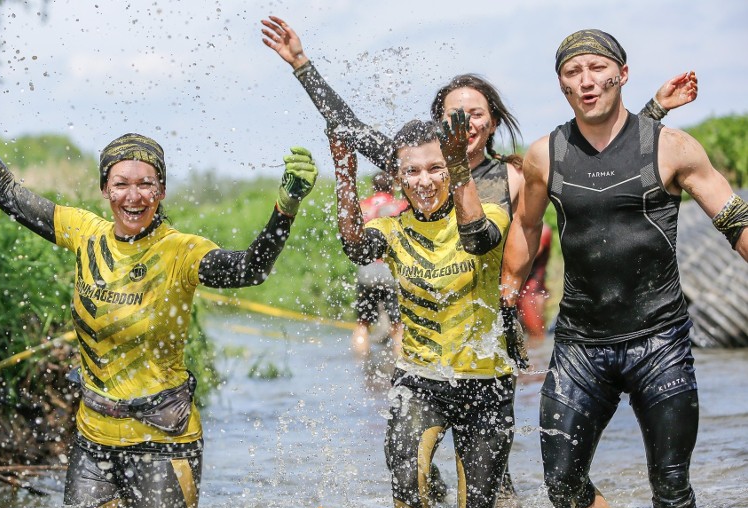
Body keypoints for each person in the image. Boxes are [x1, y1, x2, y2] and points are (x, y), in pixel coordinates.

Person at [0, 80, 317, 508]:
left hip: (164, 440)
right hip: (93, 440)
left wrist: (285, 209)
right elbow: (1, 188)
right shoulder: (83, 232)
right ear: (104, 189)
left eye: (145, 184)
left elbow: (250, 269)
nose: (133, 196)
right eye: (121, 184)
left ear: (162, 191)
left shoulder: (181, 251)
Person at [260, 15, 698, 363]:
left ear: (492, 122)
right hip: (426, 334)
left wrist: (653, 111)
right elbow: (349, 128)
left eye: (476, 115)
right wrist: (302, 65)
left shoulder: (514, 173)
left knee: (492, 469)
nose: (465, 125)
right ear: (438, 123)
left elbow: (597, 166)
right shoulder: (420, 174)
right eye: (454, 116)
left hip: (490, 331)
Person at [500, 29, 748, 508]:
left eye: (596, 68)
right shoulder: (545, 153)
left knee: (672, 489)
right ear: (562, 85)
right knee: (562, 481)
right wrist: (507, 291)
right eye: (573, 72)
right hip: (580, 344)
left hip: (660, 341)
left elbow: (734, 219)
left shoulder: (672, 147)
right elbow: (526, 226)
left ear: (622, 74)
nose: (586, 81)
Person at [329, 111, 515, 508]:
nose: (424, 181)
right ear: (397, 178)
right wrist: (344, 169)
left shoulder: (490, 213)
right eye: (411, 171)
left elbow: (477, 239)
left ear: (451, 168)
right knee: (409, 500)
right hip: (420, 378)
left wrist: (460, 167)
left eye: (435, 168)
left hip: (485, 380)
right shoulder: (393, 229)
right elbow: (356, 248)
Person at [352, 171, 409, 360]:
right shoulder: (400, 206)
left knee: (362, 323)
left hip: (366, 270)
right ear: (391, 187)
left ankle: (360, 363)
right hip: (390, 271)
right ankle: (399, 365)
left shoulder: (362, 206)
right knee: (397, 324)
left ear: (373, 187)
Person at [516, 223, 553, 338]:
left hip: (531, 294)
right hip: (514, 292)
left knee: (536, 340)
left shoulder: (542, 231)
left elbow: (526, 258)